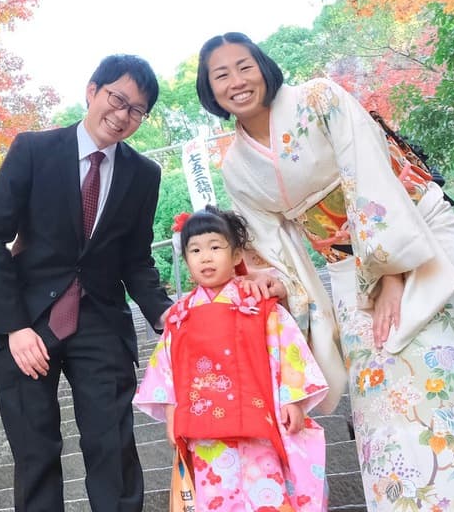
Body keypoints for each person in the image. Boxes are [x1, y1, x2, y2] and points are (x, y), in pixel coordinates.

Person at [194, 33, 454, 511]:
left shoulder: (319, 98)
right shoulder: (236, 166)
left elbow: (369, 171)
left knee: (449, 373)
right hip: (347, 266)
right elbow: (271, 249)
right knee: (380, 397)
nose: (237, 81)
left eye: (244, 66)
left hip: (417, 238)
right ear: (209, 90)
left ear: (264, 66)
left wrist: (389, 272)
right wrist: (277, 284)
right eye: (221, 75)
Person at [0, 54, 170, 512]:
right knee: (36, 452)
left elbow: (136, 259)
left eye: (137, 110)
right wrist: (14, 326)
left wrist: (166, 314)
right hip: (28, 322)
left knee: (113, 447)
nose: (123, 115)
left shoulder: (145, 175)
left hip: (101, 322)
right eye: (117, 99)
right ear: (92, 91)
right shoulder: (33, 150)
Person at [134, 207, 329, 512]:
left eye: (215, 247)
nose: (206, 257)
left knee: (266, 490)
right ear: (186, 260)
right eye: (195, 250)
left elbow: (287, 349)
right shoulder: (180, 316)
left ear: (237, 255)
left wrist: (293, 399)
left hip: (259, 420)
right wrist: (172, 416)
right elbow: (167, 370)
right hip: (205, 429)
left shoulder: (256, 303)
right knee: (217, 496)